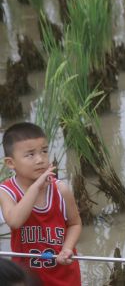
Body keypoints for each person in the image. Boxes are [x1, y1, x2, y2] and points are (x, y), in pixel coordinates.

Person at [0, 122, 82, 286]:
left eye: (44, 151)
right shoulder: (6, 191)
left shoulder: (61, 190)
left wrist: (67, 248)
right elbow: (15, 221)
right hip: (27, 278)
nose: (40, 159)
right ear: (10, 163)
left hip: (65, 275)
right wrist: (36, 187)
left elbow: (75, 224)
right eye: (30, 155)